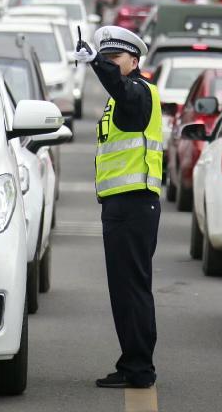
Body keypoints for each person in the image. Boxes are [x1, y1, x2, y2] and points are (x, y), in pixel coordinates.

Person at [75, 25, 163, 390]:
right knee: (125, 290)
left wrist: (96, 62)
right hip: (122, 206)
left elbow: (120, 88)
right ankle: (132, 363)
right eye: (107, 56)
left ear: (135, 61)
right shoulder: (121, 98)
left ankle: (139, 368)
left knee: (131, 290)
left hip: (134, 204)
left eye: (116, 57)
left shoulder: (137, 93)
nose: (111, 63)